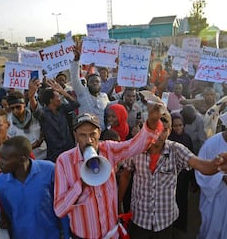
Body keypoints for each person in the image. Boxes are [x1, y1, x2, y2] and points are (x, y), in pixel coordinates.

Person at [54, 101, 164, 239]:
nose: (88, 140)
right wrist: (80, 185)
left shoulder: (109, 149)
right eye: (82, 135)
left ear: (99, 133)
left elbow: (135, 146)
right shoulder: (64, 161)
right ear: (75, 135)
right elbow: (59, 209)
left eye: (92, 134)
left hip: (111, 234)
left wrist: (152, 124)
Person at [123, 113, 227, 239]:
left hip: (165, 220)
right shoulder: (135, 148)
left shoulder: (176, 150)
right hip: (139, 218)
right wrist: (119, 204)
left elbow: (203, 166)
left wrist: (217, 164)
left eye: (163, 130)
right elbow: (125, 175)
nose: (158, 134)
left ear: (169, 131)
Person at [0, 136, 70, 239]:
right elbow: (10, 212)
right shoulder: (1, 181)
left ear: (21, 159)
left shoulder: (49, 170)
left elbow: (63, 205)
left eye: (5, 159)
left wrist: (66, 235)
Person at [29, 78, 80, 162]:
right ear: (51, 100)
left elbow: (76, 104)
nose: (60, 98)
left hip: (69, 149)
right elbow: (35, 109)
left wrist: (62, 91)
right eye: (58, 97)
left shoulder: (62, 109)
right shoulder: (43, 114)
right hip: (55, 154)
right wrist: (31, 96)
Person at [70, 60, 109, 130]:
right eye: (92, 81)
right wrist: (76, 61)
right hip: (85, 133)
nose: (95, 83)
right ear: (87, 84)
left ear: (101, 84)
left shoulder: (104, 96)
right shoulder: (82, 92)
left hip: (101, 132)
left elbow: (110, 108)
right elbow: (74, 78)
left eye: (97, 81)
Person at [7, 91, 46, 160]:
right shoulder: (9, 121)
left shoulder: (35, 115)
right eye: (12, 108)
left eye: (18, 107)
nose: (15, 110)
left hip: (43, 154)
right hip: (25, 158)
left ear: (24, 104)